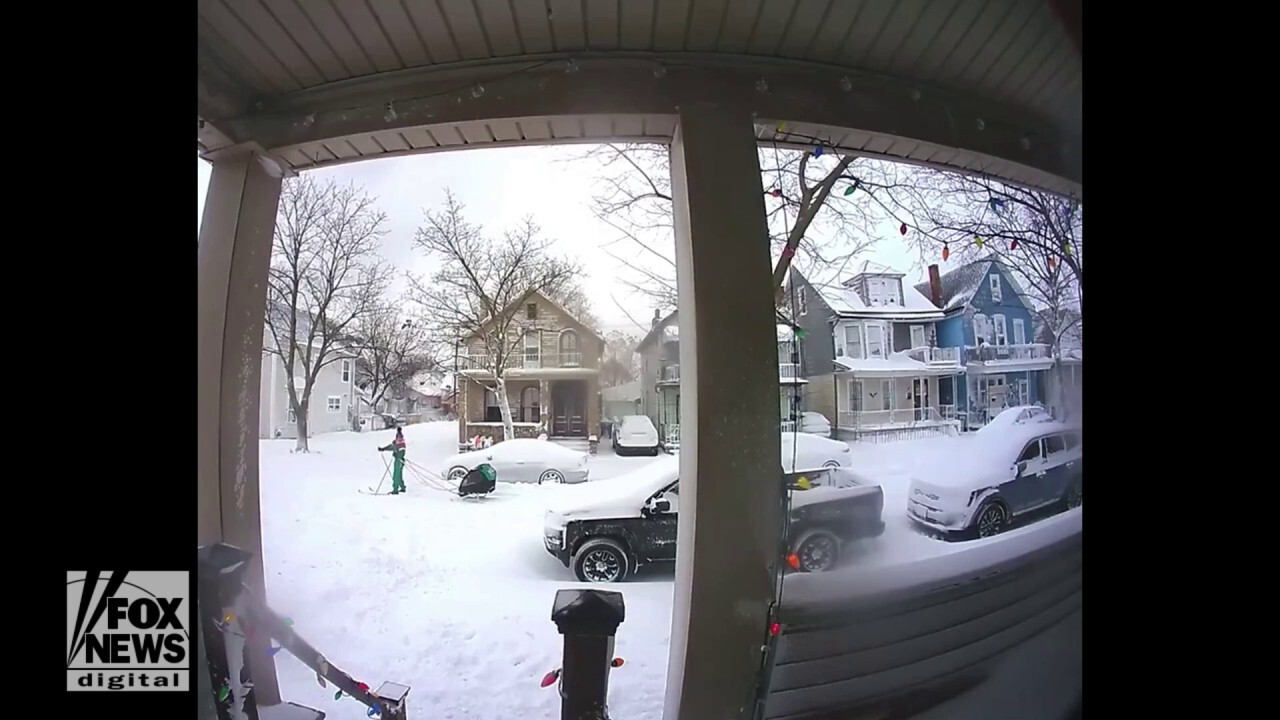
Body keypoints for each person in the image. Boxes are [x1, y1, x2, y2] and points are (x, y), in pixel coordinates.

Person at [378, 427, 407, 495]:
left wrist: (395, 454)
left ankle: (395, 489)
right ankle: (402, 487)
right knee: (399, 475)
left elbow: (394, 448)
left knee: (396, 475)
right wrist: (383, 449)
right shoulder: (401, 442)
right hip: (400, 461)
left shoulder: (399, 443)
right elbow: (393, 447)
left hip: (399, 461)